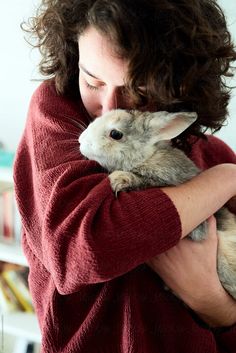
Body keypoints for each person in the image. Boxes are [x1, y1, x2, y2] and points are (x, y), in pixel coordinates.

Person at [14, 0, 236, 352]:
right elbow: (82, 250)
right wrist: (223, 180)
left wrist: (211, 302)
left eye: (139, 91)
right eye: (93, 81)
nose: (110, 110)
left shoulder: (213, 154)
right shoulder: (57, 118)